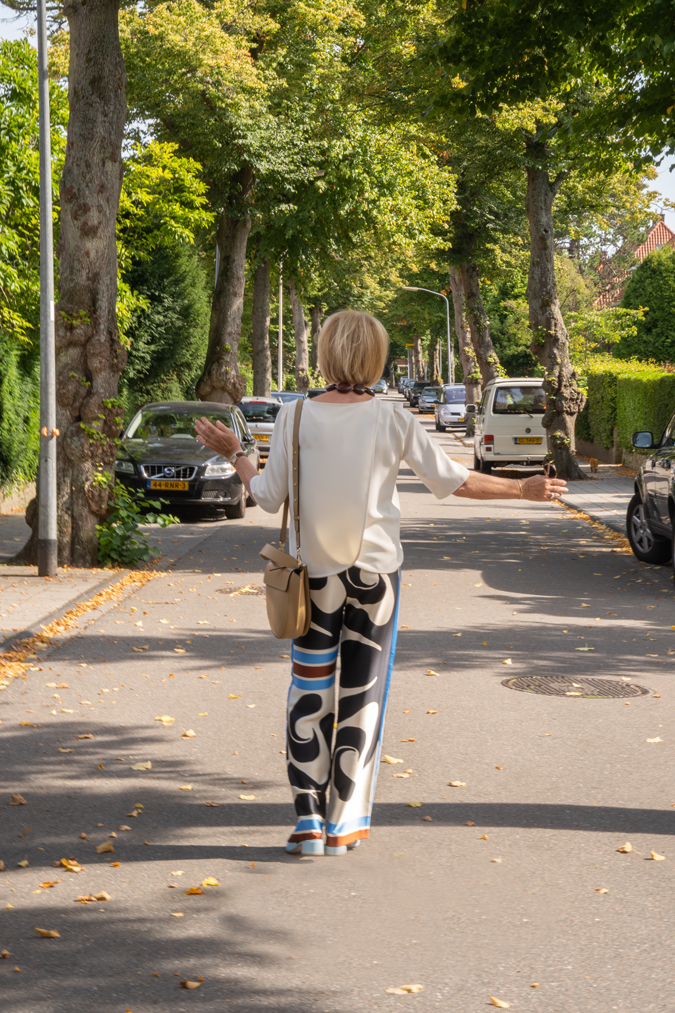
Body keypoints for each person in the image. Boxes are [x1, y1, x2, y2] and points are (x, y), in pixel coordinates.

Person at [194, 310, 567, 858]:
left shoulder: (295, 417)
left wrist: (238, 454)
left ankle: (308, 823)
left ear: (324, 354)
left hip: (311, 576)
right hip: (376, 581)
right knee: (362, 696)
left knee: (310, 691)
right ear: (375, 358)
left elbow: (268, 497)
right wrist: (522, 490)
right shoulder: (394, 421)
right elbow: (455, 482)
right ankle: (344, 825)